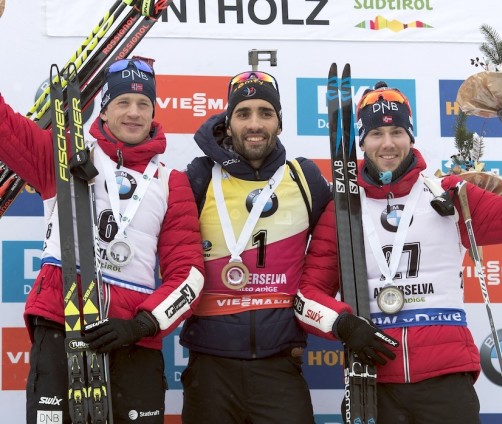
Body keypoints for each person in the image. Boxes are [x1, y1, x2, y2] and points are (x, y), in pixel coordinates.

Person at [294, 81, 502, 423]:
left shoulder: (449, 195)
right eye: (376, 134)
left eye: (397, 131)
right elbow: (306, 297)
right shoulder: (341, 210)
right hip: (374, 380)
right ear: (362, 141)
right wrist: (342, 324)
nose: (388, 144)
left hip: (446, 378)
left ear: (411, 136)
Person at [0, 58, 205, 423]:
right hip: (63, 323)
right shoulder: (63, 156)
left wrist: (141, 325)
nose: (134, 112)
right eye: (123, 102)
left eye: (144, 104)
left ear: (154, 113)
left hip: (133, 339)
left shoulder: (171, 182)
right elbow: (4, 127)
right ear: (104, 111)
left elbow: (188, 275)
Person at [180, 70, 332, 423]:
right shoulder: (200, 177)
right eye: (243, 113)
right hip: (210, 365)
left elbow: (342, 248)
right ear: (228, 121)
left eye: (266, 113)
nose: (255, 124)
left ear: (280, 122)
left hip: (280, 364)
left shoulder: (304, 178)